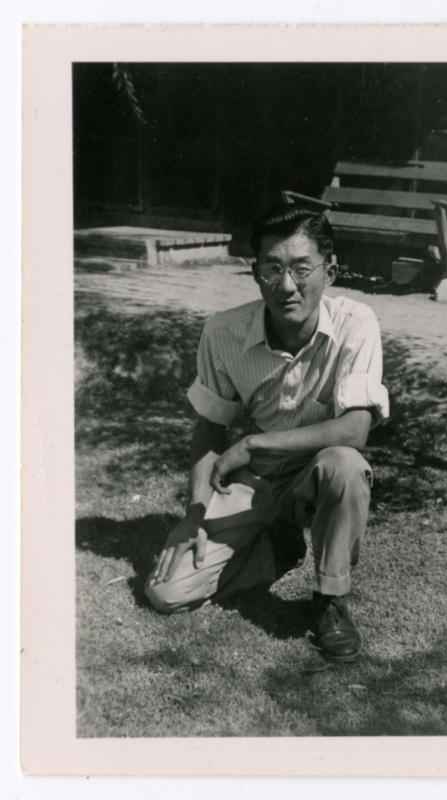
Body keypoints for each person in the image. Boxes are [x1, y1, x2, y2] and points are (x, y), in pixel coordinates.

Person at [145, 204, 389, 663]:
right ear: (255, 273)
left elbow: (356, 429)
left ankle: (329, 600)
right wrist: (193, 515)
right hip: (256, 482)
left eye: (301, 268)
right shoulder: (224, 332)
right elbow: (209, 427)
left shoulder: (357, 324)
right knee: (166, 592)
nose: (287, 286)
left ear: (330, 270)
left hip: (317, 474)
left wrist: (255, 441)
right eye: (272, 269)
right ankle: (278, 547)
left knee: (345, 464)